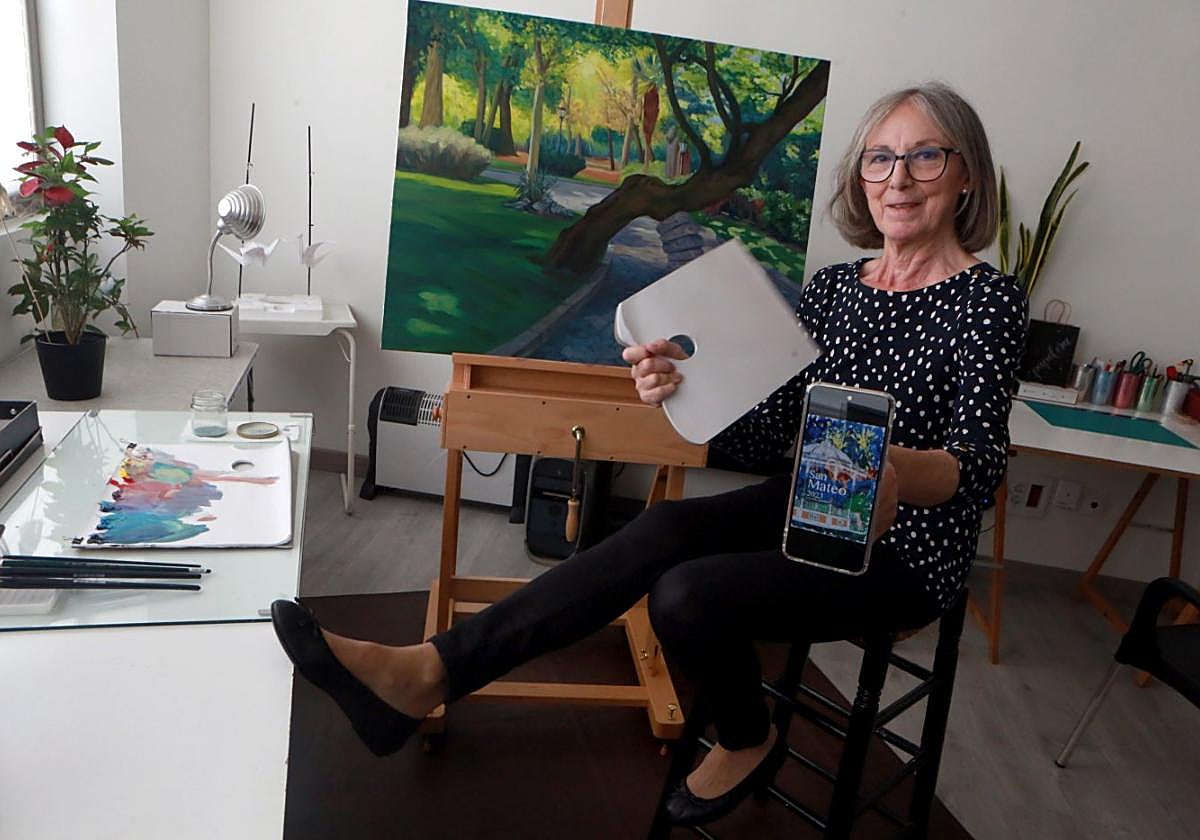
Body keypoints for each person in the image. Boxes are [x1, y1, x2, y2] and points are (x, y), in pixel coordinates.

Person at [271, 81, 1027, 827]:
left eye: (925, 156)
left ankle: (748, 734)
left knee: (689, 595)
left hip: (905, 551)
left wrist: (899, 470)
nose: (898, 179)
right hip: (804, 504)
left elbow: (980, 460)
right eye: (880, 158)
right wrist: (677, 386)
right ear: (861, 176)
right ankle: (429, 671)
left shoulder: (989, 301)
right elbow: (769, 437)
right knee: (660, 529)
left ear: (966, 174)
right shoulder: (834, 289)